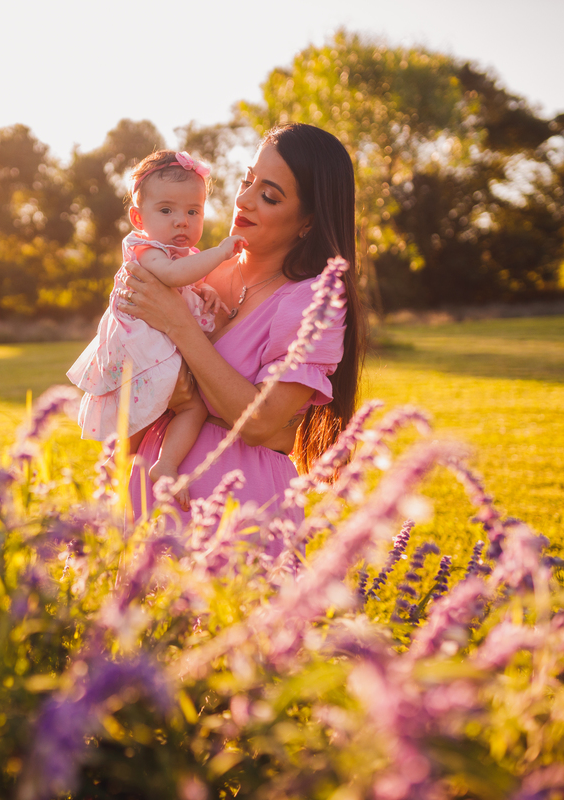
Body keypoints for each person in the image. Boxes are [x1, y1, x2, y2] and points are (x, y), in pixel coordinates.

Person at [119, 123, 365, 523]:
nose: (244, 200)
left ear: (308, 221)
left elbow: (261, 422)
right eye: (246, 181)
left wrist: (180, 327)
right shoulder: (196, 274)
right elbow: (123, 397)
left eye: (268, 196)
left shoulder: (314, 301)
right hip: (148, 490)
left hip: (240, 512)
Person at [67, 150, 247, 509]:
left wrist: (205, 289)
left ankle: (161, 464)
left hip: (159, 350)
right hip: (144, 353)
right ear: (139, 217)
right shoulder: (145, 248)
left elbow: (185, 281)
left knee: (187, 408)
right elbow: (173, 277)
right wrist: (222, 252)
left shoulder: (182, 255)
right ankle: (130, 469)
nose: (181, 221)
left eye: (192, 211)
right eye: (166, 211)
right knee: (174, 409)